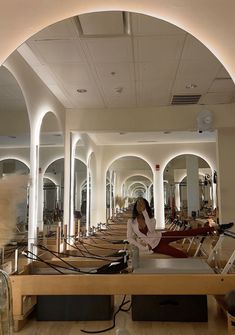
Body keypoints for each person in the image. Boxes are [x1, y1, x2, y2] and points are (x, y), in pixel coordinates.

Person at [127, 197, 234, 258]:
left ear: (146, 207)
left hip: (162, 237)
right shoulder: (131, 222)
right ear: (135, 207)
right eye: (138, 205)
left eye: (142, 205)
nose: (139, 207)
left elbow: (150, 230)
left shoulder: (151, 219)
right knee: (181, 255)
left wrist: (144, 212)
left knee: (189, 232)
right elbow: (130, 238)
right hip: (156, 247)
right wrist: (143, 247)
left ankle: (216, 227)